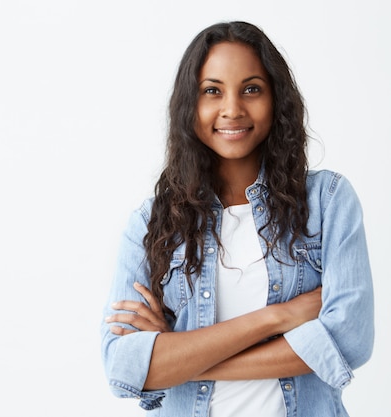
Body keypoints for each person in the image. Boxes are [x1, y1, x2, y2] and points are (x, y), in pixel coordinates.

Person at [100, 21, 374, 417]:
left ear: (276, 99)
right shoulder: (151, 224)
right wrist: (274, 319)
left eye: (251, 89)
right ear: (188, 105)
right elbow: (121, 366)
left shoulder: (328, 202)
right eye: (212, 91)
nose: (232, 109)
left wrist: (177, 359)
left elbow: (351, 340)